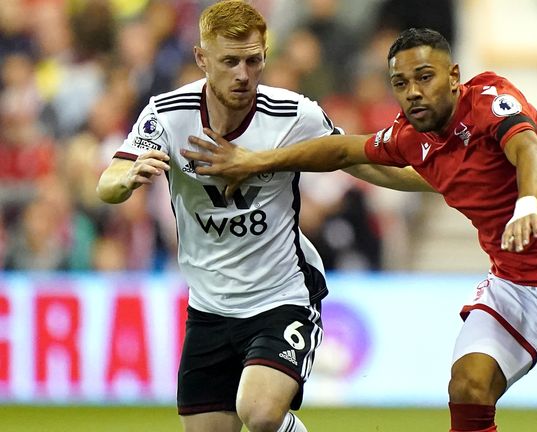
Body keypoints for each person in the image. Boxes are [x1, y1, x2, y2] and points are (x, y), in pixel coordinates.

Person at [182, 28, 537, 432]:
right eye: (400, 83)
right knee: (468, 384)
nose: (412, 91)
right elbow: (342, 150)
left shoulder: (491, 98)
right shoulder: (412, 139)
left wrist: (528, 202)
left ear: (454, 78)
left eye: (424, 77)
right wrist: (253, 161)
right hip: (515, 286)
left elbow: (529, 150)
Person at [96, 3, 430, 432]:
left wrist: (445, 182)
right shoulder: (168, 113)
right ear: (202, 59)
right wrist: (126, 179)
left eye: (253, 60)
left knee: (260, 411)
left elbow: (360, 161)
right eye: (229, 61)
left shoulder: (294, 115)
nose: (242, 73)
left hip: (281, 296)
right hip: (209, 307)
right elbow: (109, 179)